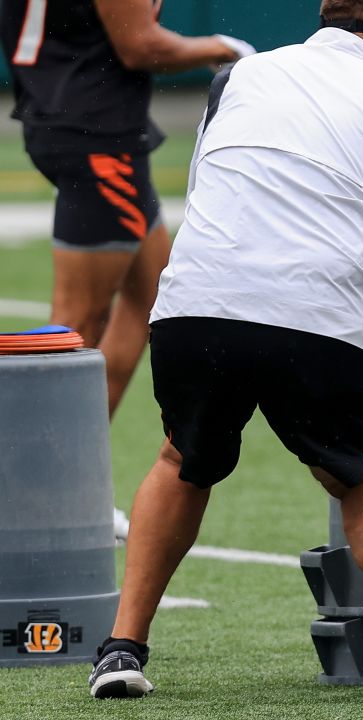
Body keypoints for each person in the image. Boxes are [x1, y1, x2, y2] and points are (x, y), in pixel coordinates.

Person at [87, 0, 363, 700]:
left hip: (196, 303)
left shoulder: (240, 77)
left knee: (182, 461)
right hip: (315, 314)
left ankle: (120, 650)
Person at [1, 0, 255, 543]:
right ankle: (31, 499)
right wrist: (223, 48)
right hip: (95, 131)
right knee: (73, 327)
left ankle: (64, 481)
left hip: (76, 115)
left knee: (151, 292)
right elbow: (141, 45)